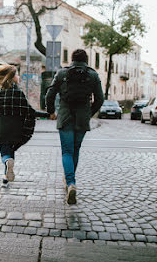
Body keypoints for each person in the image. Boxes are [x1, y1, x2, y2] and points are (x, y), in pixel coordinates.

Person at [45, 49, 104, 204]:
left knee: (67, 151)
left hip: (65, 116)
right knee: (75, 150)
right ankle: (70, 181)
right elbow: (100, 99)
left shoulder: (62, 74)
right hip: (82, 117)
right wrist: (89, 113)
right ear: (86, 60)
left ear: (71, 59)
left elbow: (50, 94)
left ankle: (70, 183)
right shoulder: (93, 75)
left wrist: (51, 111)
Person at [0, 63, 49, 187]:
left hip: (2, 131)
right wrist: (47, 115)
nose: (19, 77)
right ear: (12, 77)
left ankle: (7, 168)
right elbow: (30, 112)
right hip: (16, 131)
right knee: (11, 154)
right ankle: (5, 178)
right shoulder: (18, 93)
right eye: (17, 75)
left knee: (5, 155)